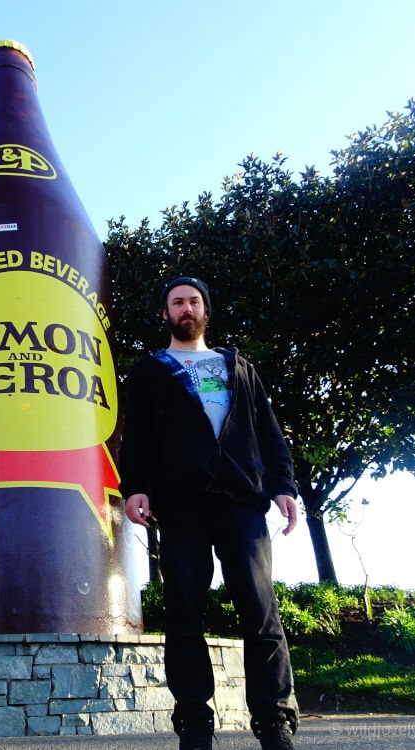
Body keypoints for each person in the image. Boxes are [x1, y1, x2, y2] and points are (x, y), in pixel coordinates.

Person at [119, 278, 300, 750]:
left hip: (241, 502)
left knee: (261, 611)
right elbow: (134, 439)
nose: (186, 308)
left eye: (193, 301)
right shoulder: (149, 372)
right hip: (180, 505)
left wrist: (283, 486)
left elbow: (268, 431)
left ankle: (274, 720)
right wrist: (134, 487)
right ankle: (195, 725)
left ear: (205, 311)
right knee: (184, 616)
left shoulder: (236, 367)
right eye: (177, 302)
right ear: (165, 314)